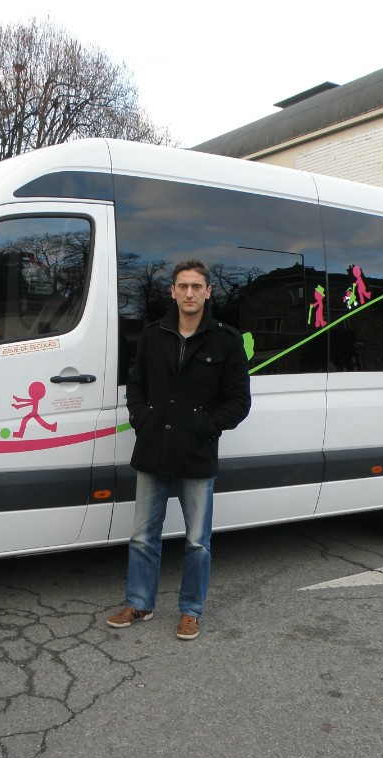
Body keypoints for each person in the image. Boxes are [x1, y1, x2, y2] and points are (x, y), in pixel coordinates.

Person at [107, 259, 251, 640]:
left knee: (197, 542)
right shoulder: (154, 335)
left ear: (208, 292)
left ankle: (191, 611)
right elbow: (135, 386)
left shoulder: (226, 340)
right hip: (153, 449)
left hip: (197, 453)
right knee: (142, 537)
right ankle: (139, 603)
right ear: (172, 291)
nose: (189, 293)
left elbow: (239, 402)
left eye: (196, 287)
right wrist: (143, 418)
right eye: (182, 286)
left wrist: (204, 427)